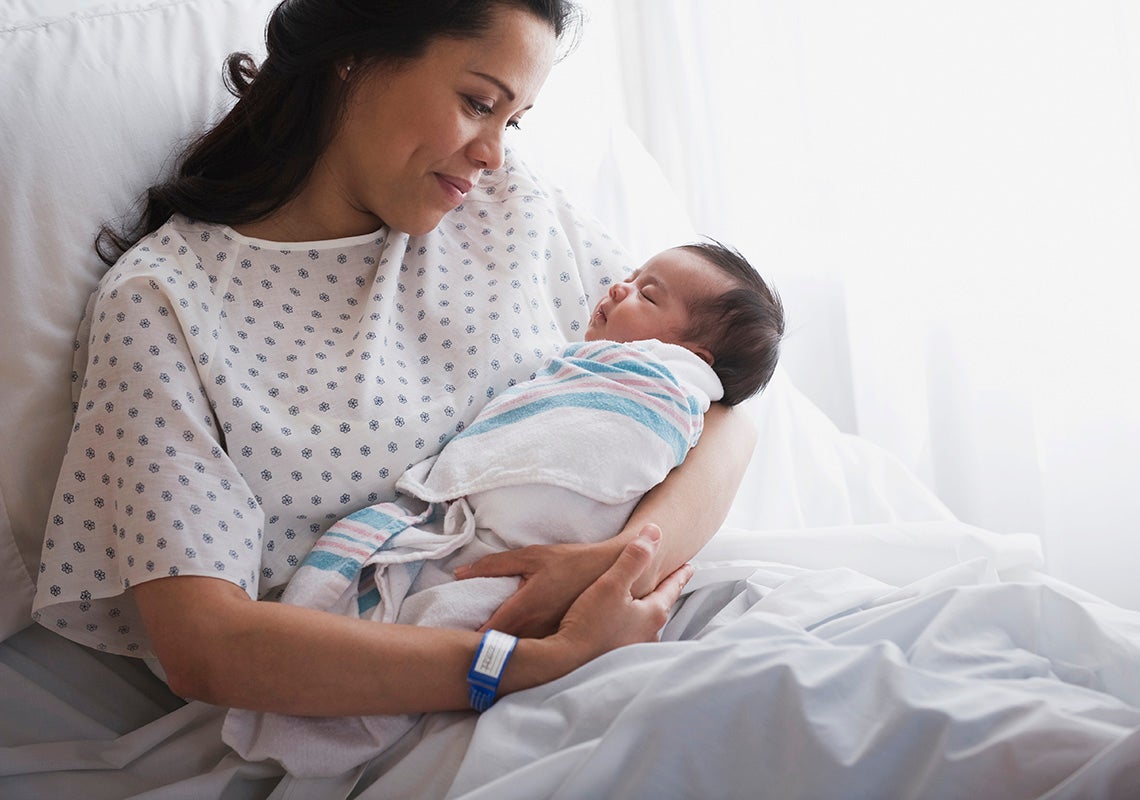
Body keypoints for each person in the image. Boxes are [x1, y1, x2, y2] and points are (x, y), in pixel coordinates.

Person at [31, 0, 756, 724]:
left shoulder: (509, 205)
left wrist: (624, 561)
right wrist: (535, 663)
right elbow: (207, 642)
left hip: (642, 620)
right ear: (356, 56)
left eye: (513, 120)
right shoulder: (165, 305)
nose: (493, 153)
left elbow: (718, 407)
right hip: (415, 709)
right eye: (478, 103)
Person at [222, 240, 785, 776]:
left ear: (687, 356)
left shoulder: (657, 381)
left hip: (547, 556)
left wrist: (614, 557)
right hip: (487, 577)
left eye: (647, 293)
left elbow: (722, 426)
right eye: (633, 278)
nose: (618, 287)